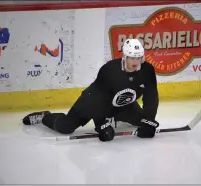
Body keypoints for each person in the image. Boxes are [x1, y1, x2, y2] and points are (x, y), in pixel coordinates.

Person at [22, 38, 160, 142]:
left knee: (142, 120)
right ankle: (45, 116)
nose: (135, 62)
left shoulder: (147, 70)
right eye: (131, 58)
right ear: (124, 56)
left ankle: (115, 118)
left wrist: (149, 121)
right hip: (92, 102)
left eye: (138, 58)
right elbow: (98, 101)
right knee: (65, 127)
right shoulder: (109, 70)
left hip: (123, 104)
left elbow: (151, 96)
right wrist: (101, 125)